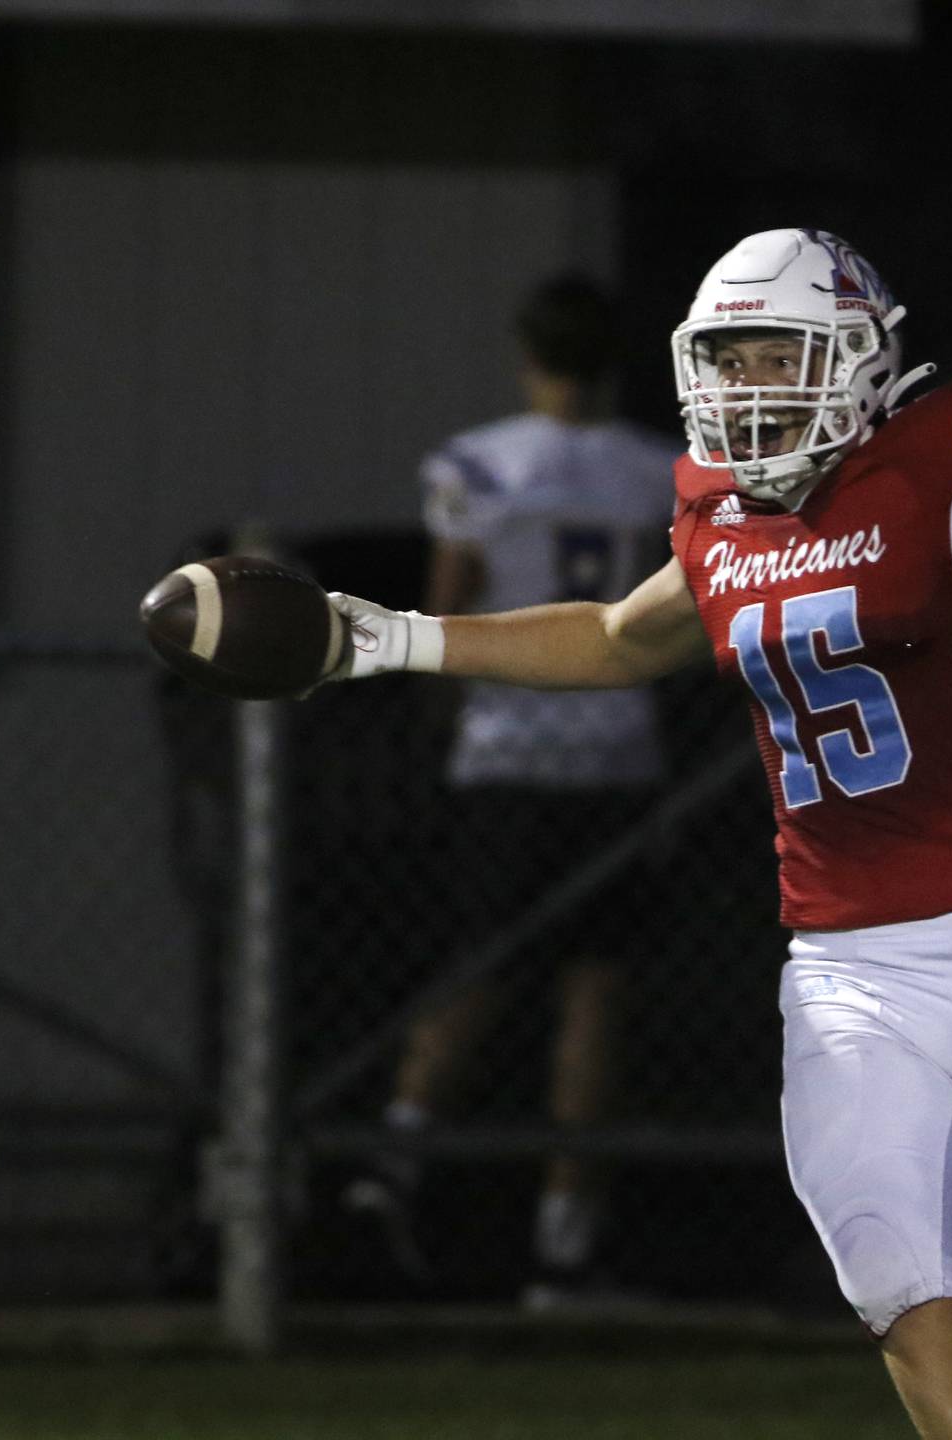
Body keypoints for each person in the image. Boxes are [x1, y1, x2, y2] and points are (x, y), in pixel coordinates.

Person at [318, 229, 952, 1439]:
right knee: (901, 1294)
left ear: (856, 357)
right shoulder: (721, 513)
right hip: (840, 963)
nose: (745, 390)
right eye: (727, 360)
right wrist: (404, 638)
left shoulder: (941, 461)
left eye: (773, 355)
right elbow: (620, 635)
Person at [343, 275, 678, 1304]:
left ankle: (392, 1165)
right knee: (594, 987)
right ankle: (566, 1231)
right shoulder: (661, 473)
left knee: (479, 965)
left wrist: (430, 726)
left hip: (507, 744)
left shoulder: (482, 463)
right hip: (614, 746)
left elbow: (453, 603)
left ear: (528, 356)